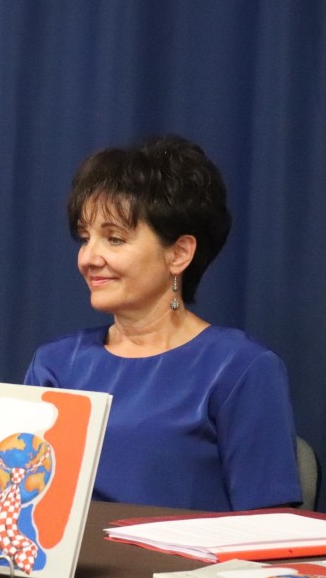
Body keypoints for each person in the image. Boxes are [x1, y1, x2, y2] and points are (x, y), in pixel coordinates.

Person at [25, 134, 300, 511]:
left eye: (114, 239)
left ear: (179, 254)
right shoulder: (54, 365)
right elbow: (22, 503)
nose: (88, 258)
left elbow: (269, 525)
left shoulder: (241, 369)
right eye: (85, 238)